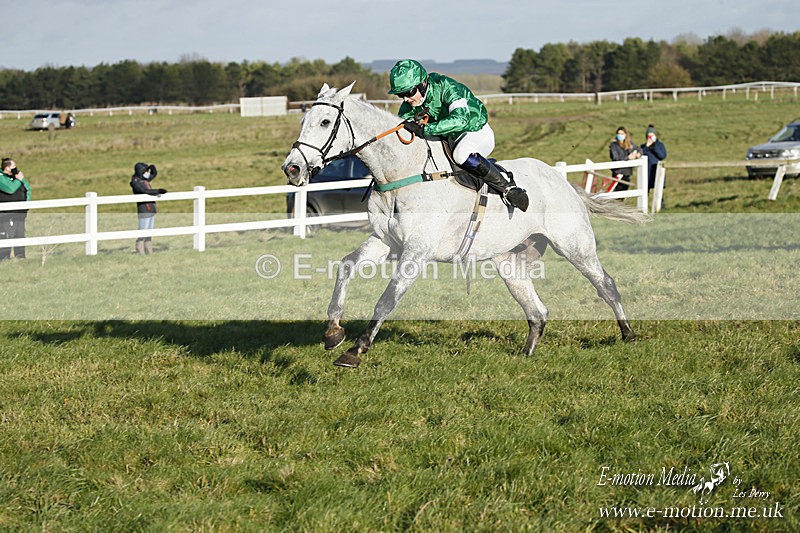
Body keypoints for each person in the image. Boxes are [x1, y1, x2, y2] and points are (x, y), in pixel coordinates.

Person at [388, 59, 529, 211]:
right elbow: (402, 127)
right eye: (400, 95)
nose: (405, 99)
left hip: (476, 131)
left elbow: (461, 119)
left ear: (422, 84)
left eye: (408, 93)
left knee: (461, 155)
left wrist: (425, 129)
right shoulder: (409, 105)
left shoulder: (447, 87)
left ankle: (508, 189)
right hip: (449, 138)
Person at [130, 162, 166, 255]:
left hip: (151, 209)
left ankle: (149, 251)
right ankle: (140, 250)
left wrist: (153, 168)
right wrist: (157, 191)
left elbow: (153, 175)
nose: (147, 173)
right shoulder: (135, 182)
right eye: (145, 171)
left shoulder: (143, 180)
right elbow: (144, 191)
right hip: (144, 209)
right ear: (140, 172)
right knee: (142, 231)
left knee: (149, 232)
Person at [0, 158, 31, 260]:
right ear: (7, 167)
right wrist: (19, 180)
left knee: (20, 234)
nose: (16, 169)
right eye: (13, 166)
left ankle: (21, 258)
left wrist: (26, 205)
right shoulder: (1, 178)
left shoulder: (17, 176)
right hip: (6, 214)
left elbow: (28, 188)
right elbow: (10, 189)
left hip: (20, 213)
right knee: (7, 235)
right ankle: (4, 259)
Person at [639, 124, 667, 208]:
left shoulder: (660, 145)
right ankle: (644, 207)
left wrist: (654, 147)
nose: (650, 138)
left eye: (652, 136)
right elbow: (641, 155)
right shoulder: (643, 146)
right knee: (645, 191)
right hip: (646, 171)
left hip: (656, 170)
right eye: (649, 136)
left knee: (658, 190)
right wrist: (647, 147)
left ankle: (660, 207)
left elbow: (662, 155)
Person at [608, 126, 642, 192]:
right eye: (618, 134)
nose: (620, 135)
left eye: (622, 134)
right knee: (617, 191)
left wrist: (637, 153)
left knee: (624, 190)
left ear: (625, 135)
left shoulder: (629, 143)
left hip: (627, 172)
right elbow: (615, 158)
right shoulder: (614, 145)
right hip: (618, 172)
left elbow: (639, 149)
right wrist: (628, 158)